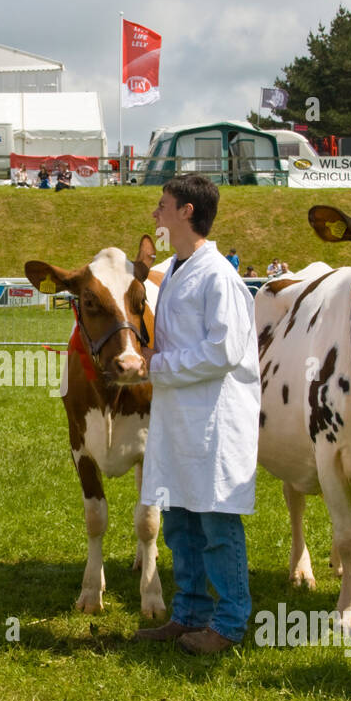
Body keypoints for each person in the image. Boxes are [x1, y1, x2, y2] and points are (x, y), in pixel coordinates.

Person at [133, 175, 259, 655]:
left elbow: (222, 351)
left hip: (213, 419)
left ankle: (228, 624)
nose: (155, 214)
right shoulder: (180, 270)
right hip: (179, 414)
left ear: (187, 211)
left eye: (162, 205)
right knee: (182, 517)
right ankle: (189, 613)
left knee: (216, 521)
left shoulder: (218, 275)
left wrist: (156, 365)